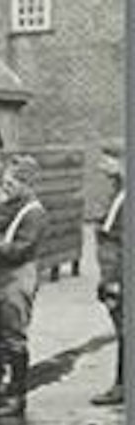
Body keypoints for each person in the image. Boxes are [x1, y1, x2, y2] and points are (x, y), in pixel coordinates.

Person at [0, 155, 48, 419]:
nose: (4, 188)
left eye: (10, 184)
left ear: (26, 184)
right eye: (4, 183)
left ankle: (17, 397)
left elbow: (18, 251)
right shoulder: (8, 205)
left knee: (13, 337)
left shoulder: (34, 213)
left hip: (17, 277)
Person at [92, 143, 125, 406]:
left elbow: (114, 241)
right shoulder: (118, 193)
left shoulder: (123, 198)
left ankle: (122, 386)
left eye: (107, 161)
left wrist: (112, 282)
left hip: (120, 277)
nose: (101, 167)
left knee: (124, 331)